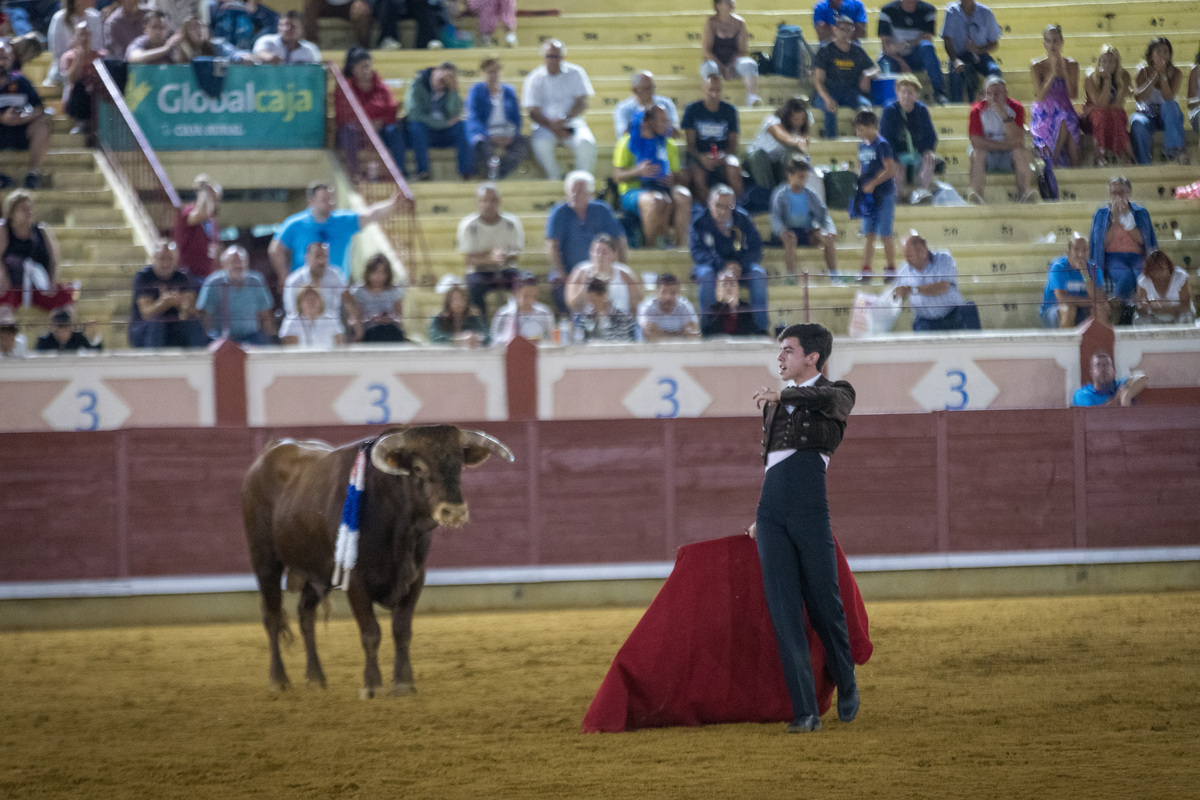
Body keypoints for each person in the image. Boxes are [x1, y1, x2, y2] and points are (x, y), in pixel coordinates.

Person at [749, 322, 859, 733]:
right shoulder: (773, 405)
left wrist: (784, 393)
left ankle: (846, 680)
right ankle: (804, 710)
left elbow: (825, 396)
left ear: (812, 357)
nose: (780, 357)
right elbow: (775, 464)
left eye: (789, 351)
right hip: (772, 512)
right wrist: (760, 514)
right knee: (783, 612)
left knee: (824, 606)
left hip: (810, 509)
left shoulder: (839, 393)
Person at [268, 181, 406, 285]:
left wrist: (392, 204)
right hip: (305, 288)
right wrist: (284, 276)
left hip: (337, 287)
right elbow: (275, 249)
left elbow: (371, 214)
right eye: (324, 199)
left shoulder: (344, 221)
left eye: (331, 198)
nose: (330, 203)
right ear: (311, 201)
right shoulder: (295, 224)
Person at [545, 171, 628, 314]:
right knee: (557, 282)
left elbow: (619, 239)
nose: (575, 195)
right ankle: (573, 323)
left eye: (580, 191)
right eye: (572, 191)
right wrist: (562, 273)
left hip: (602, 270)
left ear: (591, 193)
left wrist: (620, 267)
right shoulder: (559, 212)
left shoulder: (602, 210)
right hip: (569, 272)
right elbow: (552, 246)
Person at [611, 104, 692, 248]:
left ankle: (680, 247)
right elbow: (617, 176)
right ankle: (651, 249)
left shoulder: (669, 144)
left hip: (662, 187)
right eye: (662, 121)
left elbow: (677, 176)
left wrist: (672, 179)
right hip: (632, 191)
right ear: (649, 122)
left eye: (667, 121)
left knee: (683, 195)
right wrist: (638, 171)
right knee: (655, 200)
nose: (667, 125)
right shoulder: (627, 143)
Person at [689, 185, 768, 332]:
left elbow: (756, 248)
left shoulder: (742, 219)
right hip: (711, 266)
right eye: (718, 206)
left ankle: (761, 329)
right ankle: (707, 329)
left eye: (728, 207)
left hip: (740, 267)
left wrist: (740, 265)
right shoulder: (699, 222)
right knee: (706, 276)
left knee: (758, 274)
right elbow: (697, 252)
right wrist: (722, 267)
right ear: (709, 204)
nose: (723, 211)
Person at [522, 40, 596, 181]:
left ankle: (581, 181)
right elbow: (532, 111)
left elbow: (582, 102)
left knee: (586, 143)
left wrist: (565, 119)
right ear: (544, 57)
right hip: (544, 126)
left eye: (556, 56)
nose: (553, 60)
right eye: (549, 56)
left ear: (562, 57)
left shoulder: (576, 73)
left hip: (573, 123)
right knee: (540, 144)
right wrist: (552, 126)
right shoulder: (534, 78)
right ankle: (554, 177)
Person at [335, 47, 406, 179]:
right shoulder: (345, 88)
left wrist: (380, 121)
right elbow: (343, 113)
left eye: (368, 66)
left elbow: (391, 107)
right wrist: (364, 123)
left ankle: (399, 171)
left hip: (379, 127)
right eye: (362, 67)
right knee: (347, 132)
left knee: (394, 130)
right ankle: (354, 172)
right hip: (356, 128)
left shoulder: (380, 85)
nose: (366, 70)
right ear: (353, 69)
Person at [457, 181, 524, 317]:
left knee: (524, 282)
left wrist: (504, 255)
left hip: (506, 269)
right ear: (477, 202)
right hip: (480, 272)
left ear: (499, 201)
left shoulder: (511, 223)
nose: (488, 205)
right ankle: (482, 328)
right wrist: (490, 257)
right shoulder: (468, 225)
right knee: (474, 287)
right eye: (484, 201)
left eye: (492, 200)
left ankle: (519, 323)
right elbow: (468, 260)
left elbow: (515, 253)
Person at [1088, 176, 1157, 307]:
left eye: (1122, 192)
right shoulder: (1101, 214)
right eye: (1114, 193)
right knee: (1126, 276)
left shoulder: (1140, 212)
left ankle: (1128, 309)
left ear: (1129, 193)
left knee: (1141, 276)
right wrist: (1115, 220)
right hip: (1113, 257)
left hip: (1136, 256)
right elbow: (1101, 244)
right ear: (1110, 194)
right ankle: (1117, 308)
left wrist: (1127, 219)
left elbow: (1143, 240)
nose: (1118, 196)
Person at [0, 190, 74, 311]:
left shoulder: (42, 231)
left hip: (39, 286)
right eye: (23, 208)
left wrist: (52, 282)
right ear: (12, 213)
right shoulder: (4, 230)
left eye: (30, 208)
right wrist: (4, 280)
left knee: (65, 298)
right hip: (12, 286)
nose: (28, 211)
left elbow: (54, 260)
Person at [128, 240, 210, 348]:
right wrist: (162, 303)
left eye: (170, 259)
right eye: (162, 259)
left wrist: (184, 305)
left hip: (174, 327)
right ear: (153, 259)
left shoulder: (183, 277)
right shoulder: (143, 278)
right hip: (146, 330)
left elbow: (194, 310)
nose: (166, 263)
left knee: (193, 322)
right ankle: (154, 362)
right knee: (157, 323)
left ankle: (198, 358)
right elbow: (146, 312)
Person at [892, 231, 981, 330]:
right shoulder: (903, 270)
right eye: (905, 255)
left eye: (910, 255)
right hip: (925, 321)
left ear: (922, 251)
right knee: (918, 324)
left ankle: (979, 345)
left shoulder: (944, 258)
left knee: (968, 308)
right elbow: (896, 296)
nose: (907, 260)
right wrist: (899, 295)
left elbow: (943, 287)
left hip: (953, 315)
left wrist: (913, 290)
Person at [967, 76, 1034, 204]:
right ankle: (977, 197)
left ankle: (1025, 194)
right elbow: (976, 142)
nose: (993, 98)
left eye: (997, 94)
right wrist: (1005, 145)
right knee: (977, 153)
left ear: (1005, 94)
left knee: (1020, 152)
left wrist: (1003, 113)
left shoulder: (1016, 108)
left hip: (1008, 155)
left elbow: (1018, 140)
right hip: (989, 154)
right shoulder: (977, 111)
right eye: (988, 94)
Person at [769, 156, 838, 277]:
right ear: (790, 175)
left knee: (827, 238)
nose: (803, 180)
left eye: (805, 177)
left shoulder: (811, 194)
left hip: (806, 231)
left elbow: (824, 215)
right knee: (790, 238)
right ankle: (790, 275)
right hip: (787, 233)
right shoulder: (780, 195)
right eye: (800, 177)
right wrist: (782, 231)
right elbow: (775, 219)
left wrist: (831, 230)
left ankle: (834, 274)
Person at [405, 61, 473, 182]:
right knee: (416, 127)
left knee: (462, 126)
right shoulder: (417, 84)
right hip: (425, 132)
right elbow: (414, 114)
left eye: (447, 81)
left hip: (444, 133)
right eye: (442, 79)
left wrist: (453, 90)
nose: (443, 84)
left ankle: (466, 172)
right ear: (435, 72)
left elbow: (455, 113)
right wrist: (443, 123)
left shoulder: (449, 88)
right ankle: (423, 172)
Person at [811, 14, 876, 141]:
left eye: (849, 29)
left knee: (866, 107)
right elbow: (818, 80)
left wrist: (867, 74)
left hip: (850, 93)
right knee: (830, 108)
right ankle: (832, 143)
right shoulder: (825, 51)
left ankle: (865, 140)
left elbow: (875, 68)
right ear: (834, 30)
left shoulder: (857, 50)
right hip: (828, 91)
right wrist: (827, 98)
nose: (846, 33)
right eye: (842, 29)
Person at [195, 244, 275, 344]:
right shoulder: (213, 282)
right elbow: (205, 315)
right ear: (224, 265)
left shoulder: (256, 281)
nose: (238, 265)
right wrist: (208, 341)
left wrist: (269, 341)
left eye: (241, 262)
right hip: (222, 337)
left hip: (252, 337)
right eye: (234, 262)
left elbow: (266, 313)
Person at [853, 109, 898, 281]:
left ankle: (891, 268)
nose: (859, 133)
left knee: (885, 233)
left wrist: (873, 183)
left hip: (884, 194)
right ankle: (866, 269)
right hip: (868, 196)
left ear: (872, 127)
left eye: (861, 129)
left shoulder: (882, 145)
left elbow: (890, 169)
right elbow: (861, 167)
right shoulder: (862, 145)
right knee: (868, 233)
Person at [880, 73, 939, 203]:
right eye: (903, 92)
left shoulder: (921, 110)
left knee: (930, 160)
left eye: (911, 93)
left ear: (917, 94)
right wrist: (894, 159)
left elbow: (931, 135)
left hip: (916, 155)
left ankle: (921, 194)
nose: (906, 96)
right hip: (897, 155)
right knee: (895, 169)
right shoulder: (889, 111)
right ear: (897, 92)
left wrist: (928, 151)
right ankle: (898, 199)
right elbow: (885, 140)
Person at [466, 58, 528, 181]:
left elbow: (516, 118)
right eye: (490, 72)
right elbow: (473, 117)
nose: (494, 75)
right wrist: (489, 135)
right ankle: (489, 174)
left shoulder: (508, 91)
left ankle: (499, 174)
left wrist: (511, 135)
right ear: (483, 73)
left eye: (496, 71)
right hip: (486, 132)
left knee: (523, 145)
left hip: (506, 131)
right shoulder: (477, 90)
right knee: (480, 145)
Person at [680, 75, 743, 198]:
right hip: (698, 157)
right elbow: (690, 146)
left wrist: (723, 156)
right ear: (703, 89)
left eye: (718, 90)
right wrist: (702, 158)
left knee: (734, 166)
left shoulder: (730, 110)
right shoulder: (692, 110)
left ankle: (735, 206)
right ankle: (708, 208)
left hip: (722, 157)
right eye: (711, 90)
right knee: (698, 173)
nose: (714, 94)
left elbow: (732, 145)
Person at [0, 41, 51, 190]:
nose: (2, 62)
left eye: (5, 58)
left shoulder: (21, 81)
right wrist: (2, 118)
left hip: (20, 129)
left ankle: (33, 174)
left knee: (42, 124)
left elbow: (39, 108)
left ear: (11, 60)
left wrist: (22, 118)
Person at [877, 0, 947, 105]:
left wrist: (906, 45)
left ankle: (939, 93)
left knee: (927, 47)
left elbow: (927, 39)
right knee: (885, 62)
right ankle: (890, 102)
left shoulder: (928, 10)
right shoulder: (887, 10)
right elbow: (886, 48)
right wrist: (902, 62)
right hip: (894, 57)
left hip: (915, 55)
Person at [1030, 25, 1081, 167]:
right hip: (1045, 109)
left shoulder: (1072, 64)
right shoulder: (1036, 65)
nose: (1052, 45)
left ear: (1062, 41)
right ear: (1044, 43)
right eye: (1048, 41)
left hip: (1065, 106)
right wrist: (1052, 73)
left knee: (1068, 122)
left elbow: (1074, 94)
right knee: (1064, 121)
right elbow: (1040, 96)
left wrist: (1064, 73)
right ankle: (1054, 158)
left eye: (1055, 41)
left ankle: (1072, 166)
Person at [1131, 37, 1188, 165]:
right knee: (1137, 122)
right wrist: (1154, 76)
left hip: (1167, 117)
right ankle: (1143, 163)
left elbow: (1168, 97)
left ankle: (1175, 151)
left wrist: (1162, 76)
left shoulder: (1176, 73)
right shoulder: (1143, 71)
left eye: (1166, 51)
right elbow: (1138, 97)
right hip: (1146, 115)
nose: (1162, 54)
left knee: (1171, 106)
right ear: (1151, 55)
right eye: (1158, 51)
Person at [564, 233, 642, 315]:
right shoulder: (580, 272)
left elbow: (637, 303)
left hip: (620, 322)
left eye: (605, 252)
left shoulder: (625, 274)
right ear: (591, 253)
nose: (600, 255)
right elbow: (573, 305)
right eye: (597, 251)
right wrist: (586, 285)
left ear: (613, 254)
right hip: (587, 322)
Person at [940, 0, 1001, 103]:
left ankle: (993, 105)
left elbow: (994, 43)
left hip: (981, 56)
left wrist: (978, 49)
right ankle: (956, 108)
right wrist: (955, 60)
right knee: (955, 75)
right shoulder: (952, 11)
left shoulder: (986, 12)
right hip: (959, 56)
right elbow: (947, 40)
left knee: (994, 71)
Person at [700, 0, 760, 106]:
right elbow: (707, 51)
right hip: (714, 60)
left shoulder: (740, 22)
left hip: (734, 61)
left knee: (749, 63)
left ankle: (752, 97)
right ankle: (711, 101)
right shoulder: (711, 22)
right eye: (726, 1)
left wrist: (730, 66)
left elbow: (742, 50)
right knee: (710, 67)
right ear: (718, 5)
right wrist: (722, 67)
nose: (731, 3)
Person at [1039, 233, 1104, 329]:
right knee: (1069, 308)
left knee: (1101, 308)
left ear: (1089, 252)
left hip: (1082, 308)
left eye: (1085, 250)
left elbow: (1098, 297)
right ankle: (1065, 343)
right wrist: (1090, 302)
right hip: (1053, 309)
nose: (1081, 254)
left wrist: (1084, 272)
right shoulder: (1058, 268)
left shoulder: (1095, 270)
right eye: (1076, 249)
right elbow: (1062, 299)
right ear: (1068, 252)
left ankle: (1097, 342)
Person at [1084, 45, 1135, 166]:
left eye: (1111, 62)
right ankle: (1099, 155)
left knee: (1115, 115)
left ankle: (1130, 156)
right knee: (1100, 115)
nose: (1107, 65)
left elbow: (1118, 104)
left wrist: (1094, 107)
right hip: (1092, 118)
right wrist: (1107, 82)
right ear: (1098, 62)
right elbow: (1099, 103)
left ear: (1117, 63)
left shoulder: (1124, 76)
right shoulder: (1091, 78)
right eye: (1103, 61)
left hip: (1112, 113)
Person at [745, 97, 811, 190]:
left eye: (802, 119)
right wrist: (797, 141)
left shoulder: (800, 131)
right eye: (796, 119)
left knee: (792, 155)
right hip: (757, 163)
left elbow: (804, 145)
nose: (799, 122)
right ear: (788, 117)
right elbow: (782, 136)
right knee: (759, 155)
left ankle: (789, 191)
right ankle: (767, 196)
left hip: (778, 167)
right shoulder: (772, 121)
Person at [281, 240, 353, 323]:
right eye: (318, 256)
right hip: (304, 328)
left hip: (332, 327)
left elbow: (347, 299)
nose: (322, 261)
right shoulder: (293, 282)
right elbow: (292, 312)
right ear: (307, 257)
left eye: (325, 257)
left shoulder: (335, 275)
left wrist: (354, 318)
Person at [171, 174, 221, 281]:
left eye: (215, 199)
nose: (213, 203)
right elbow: (202, 212)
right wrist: (203, 190)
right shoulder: (188, 213)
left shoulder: (212, 221)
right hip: (189, 276)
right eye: (210, 198)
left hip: (207, 274)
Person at [60, 21, 106, 135]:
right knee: (80, 86)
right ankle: (81, 123)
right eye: (81, 34)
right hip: (76, 97)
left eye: (87, 34)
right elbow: (70, 80)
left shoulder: (100, 56)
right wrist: (79, 57)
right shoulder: (68, 57)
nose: (84, 38)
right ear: (75, 37)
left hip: (95, 95)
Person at [348, 253, 406, 342]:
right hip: (369, 333)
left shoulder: (394, 292)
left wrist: (390, 319)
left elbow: (400, 320)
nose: (379, 277)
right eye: (375, 272)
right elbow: (355, 319)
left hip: (390, 332)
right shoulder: (360, 293)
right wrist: (371, 319)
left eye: (383, 272)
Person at [47, 0, 104, 87]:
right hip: (63, 74)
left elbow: (98, 47)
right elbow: (56, 54)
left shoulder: (95, 17)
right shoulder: (59, 18)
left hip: (91, 72)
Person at [489, 271, 555, 344]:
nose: (531, 301)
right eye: (526, 296)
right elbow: (496, 343)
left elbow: (550, 340)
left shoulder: (544, 313)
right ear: (516, 293)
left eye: (534, 296)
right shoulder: (504, 314)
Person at [613, 71, 680, 139]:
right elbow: (623, 135)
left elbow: (675, 132)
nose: (651, 91)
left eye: (653, 88)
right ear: (635, 90)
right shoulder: (624, 109)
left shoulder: (665, 103)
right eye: (646, 88)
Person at [1134, 249, 1194, 326]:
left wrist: (1168, 308)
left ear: (1168, 267)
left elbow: (1186, 304)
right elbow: (1140, 305)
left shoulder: (1181, 276)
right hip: (1154, 316)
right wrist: (1150, 305)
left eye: (1161, 268)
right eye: (1154, 270)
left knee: (1187, 317)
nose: (1158, 273)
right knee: (1139, 319)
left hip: (1177, 314)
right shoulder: (1143, 280)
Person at [702, 268, 766, 337]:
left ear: (737, 288)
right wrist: (726, 307)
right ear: (718, 290)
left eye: (732, 283)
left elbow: (752, 331)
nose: (728, 287)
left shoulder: (746, 307)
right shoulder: (713, 308)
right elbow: (708, 332)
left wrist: (734, 309)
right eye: (724, 284)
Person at [637, 272, 700, 340]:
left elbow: (693, 335)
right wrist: (680, 333)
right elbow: (649, 335)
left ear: (678, 292)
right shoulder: (648, 307)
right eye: (664, 292)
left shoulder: (685, 306)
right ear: (656, 292)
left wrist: (661, 333)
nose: (668, 297)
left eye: (673, 293)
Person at [1071, 351, 1148, 407]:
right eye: (1098, 366)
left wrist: (1127, 394)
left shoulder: (1119, 385)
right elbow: (1095, 416)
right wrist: (1117, 398)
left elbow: (1143, 378)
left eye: (1107, 365)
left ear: (1114, 371)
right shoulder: (1082, 394)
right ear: (1091, 373)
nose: (1103, 369)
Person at [279, 285, 344, 347]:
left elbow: (339, 344)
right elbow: (291, 348)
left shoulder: (331, 320)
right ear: (300, 303)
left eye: (314, 299)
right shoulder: (292, 322)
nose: (312, 303)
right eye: (308, 300)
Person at [575, 278, 637, 342]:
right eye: (589, 300)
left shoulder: (623, 319)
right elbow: (581, 342)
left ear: (604, 296)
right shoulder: (586, 318)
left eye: (594, 300)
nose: (591, 304)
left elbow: (623, 343)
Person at [211, 0, 279, 52]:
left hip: (247, 55)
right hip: (222, 54)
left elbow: (274, 26)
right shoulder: (214, 7)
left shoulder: (264, 13)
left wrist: (256, 9)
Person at [251, 10, 319, 63]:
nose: (286, 29)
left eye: (292, 26)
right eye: (282, 25)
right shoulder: (266, 40)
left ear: (301, 28)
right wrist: (271, 57)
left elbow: (315, 67)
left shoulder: (310, 49)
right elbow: (258, 53)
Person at [373, 0, 442, 50]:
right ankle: (388, 40)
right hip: (385, 4)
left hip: (410, 5)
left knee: (422, 2)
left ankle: (426, 43)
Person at [303, 0, 370, 49]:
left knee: (362, 10)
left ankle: (362, 47)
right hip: (326, 4)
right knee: (309, 4)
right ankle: (312, 46)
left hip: (350, 4)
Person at [35, 307, 103, 351]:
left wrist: (93, 336)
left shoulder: (78, 338)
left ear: (71, 327)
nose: (62, 332)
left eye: (65, 328)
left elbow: (95, 352)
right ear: (52, 328)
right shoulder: (44, 341)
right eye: (59, 328)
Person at [104, 0, 149, 66]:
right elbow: (115, 52)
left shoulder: (149, 15)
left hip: (151, 64)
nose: (132, 2)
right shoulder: (113, 23)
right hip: (125, 67)